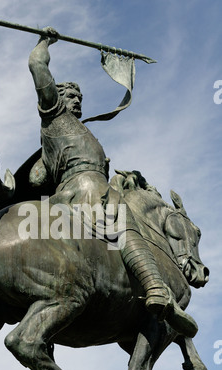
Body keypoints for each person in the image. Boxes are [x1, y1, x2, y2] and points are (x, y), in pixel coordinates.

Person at [28, 27, 197, 337]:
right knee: (126, 223)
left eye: (79, 97)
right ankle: (155, 285)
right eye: (70, 96)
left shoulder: (65, 133)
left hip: (69, 194)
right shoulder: (54, 115)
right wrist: (45, 41)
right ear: (56, 98)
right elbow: (38, 66)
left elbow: (37, 176)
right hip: (87, 190)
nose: (76, 101)